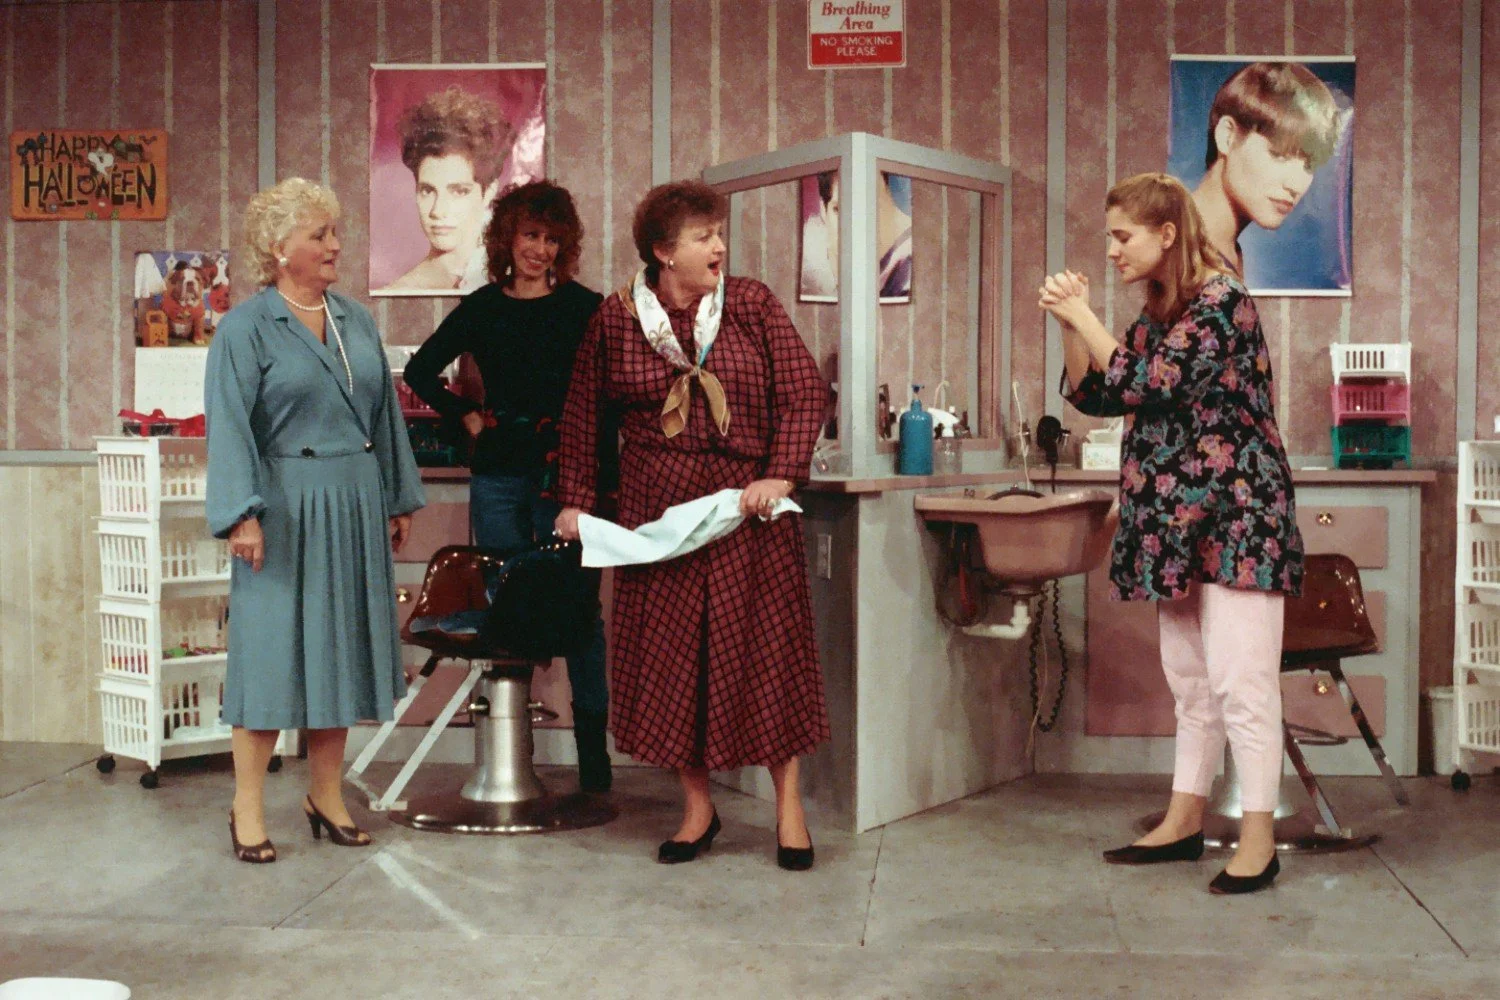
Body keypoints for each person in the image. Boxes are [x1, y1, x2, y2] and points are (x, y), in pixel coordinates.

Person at [1039, 172, 1304, 896]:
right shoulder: (1162, 311)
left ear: (1166, 234)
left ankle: (1258, 836)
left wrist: (1087, 317)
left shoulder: (1222, 303)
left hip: (1238, 518)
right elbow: (1099, 392)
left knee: (1242, 685)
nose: (1113, 250)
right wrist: (1071, 326)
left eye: (1122, 236)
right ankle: (1184, 819)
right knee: (1191, 682)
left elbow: (1152, 381)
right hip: (1179, 522)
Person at [553, 180, 830, 870]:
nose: (720, 246)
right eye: (704, 236)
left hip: (747, 511)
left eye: (719, 233)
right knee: (675, 668)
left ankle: (789, 808)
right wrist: (577, 500)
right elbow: (585, 415)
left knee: (768, 661)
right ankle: (698, 808)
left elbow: (804, 394)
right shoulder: (617, 319)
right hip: (661, 520)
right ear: (662, 251)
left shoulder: (753, 304)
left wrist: (782, 472)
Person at [206, 177, 426, 863]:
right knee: (271, 657)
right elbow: (229, 425)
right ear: (280, 249)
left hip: (355, 496)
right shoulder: (246, 328)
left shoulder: (355, 320)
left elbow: (385, 415)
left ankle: (325, 796)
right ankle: (247, 805)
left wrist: (394, 497)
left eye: (334, 231)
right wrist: (242, 513)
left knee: (339, 652)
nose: (336, 245)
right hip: (283, 506)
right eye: (320, 234)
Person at [403, 180, 613, 792]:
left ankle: (593, 761)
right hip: (496, 474)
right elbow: (420, 370)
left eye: (551, 239)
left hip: (565, 479)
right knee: (503, 605)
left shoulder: (587, 308)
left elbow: (609, 397)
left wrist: (595, 483)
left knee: (578, 615)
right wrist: (463, 412)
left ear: (563, 245)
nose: (539, 249)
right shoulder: (482, 307)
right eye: (530, 235)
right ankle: (508, 757)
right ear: (507, 237)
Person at [1191, 61, 1341, 278]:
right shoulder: (1174, 244)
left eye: (1309, 165)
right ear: (1227, 136)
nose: (1296, 185)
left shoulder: (1224, 248)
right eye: (1279, 154)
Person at [383, 86, 513, 292]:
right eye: (427, 191)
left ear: (488, 192)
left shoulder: (516, 277)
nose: (438, 211)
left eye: (459, 191)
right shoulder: (401, 289)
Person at [799, 170, 912, 301]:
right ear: (824, 212)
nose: (854, 225)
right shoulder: (809, 274)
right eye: (840, 209)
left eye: (868, 208)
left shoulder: (902, 270)